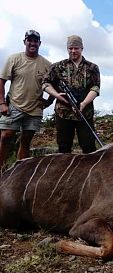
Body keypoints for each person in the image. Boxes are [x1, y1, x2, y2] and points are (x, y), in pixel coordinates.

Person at [0, 30, 52, 170]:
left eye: (35, 41)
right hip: (14, 105)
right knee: (6, 136)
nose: (32, 43)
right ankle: (1, 169)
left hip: (35, 108)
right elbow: (2, 81)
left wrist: (49, 101)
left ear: (39, 43)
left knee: (26, 140)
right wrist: (2, 103)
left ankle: (20, 173)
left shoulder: (47, 64)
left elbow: (56, 85)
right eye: (30, 40)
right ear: (25, 42)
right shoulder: (14, 59)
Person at [42, 35, 100, 154]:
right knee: (63, 148)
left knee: (89, 147)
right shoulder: (57, 67)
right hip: (63, 113)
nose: (73, 51)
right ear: (67, 49)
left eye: (76, 48)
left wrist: (84, 103)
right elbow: (45, 84)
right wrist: (57, 95)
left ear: (82, 48)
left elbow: (96, 88)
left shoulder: (92, 67)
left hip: (85, 113)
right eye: (70, 48)